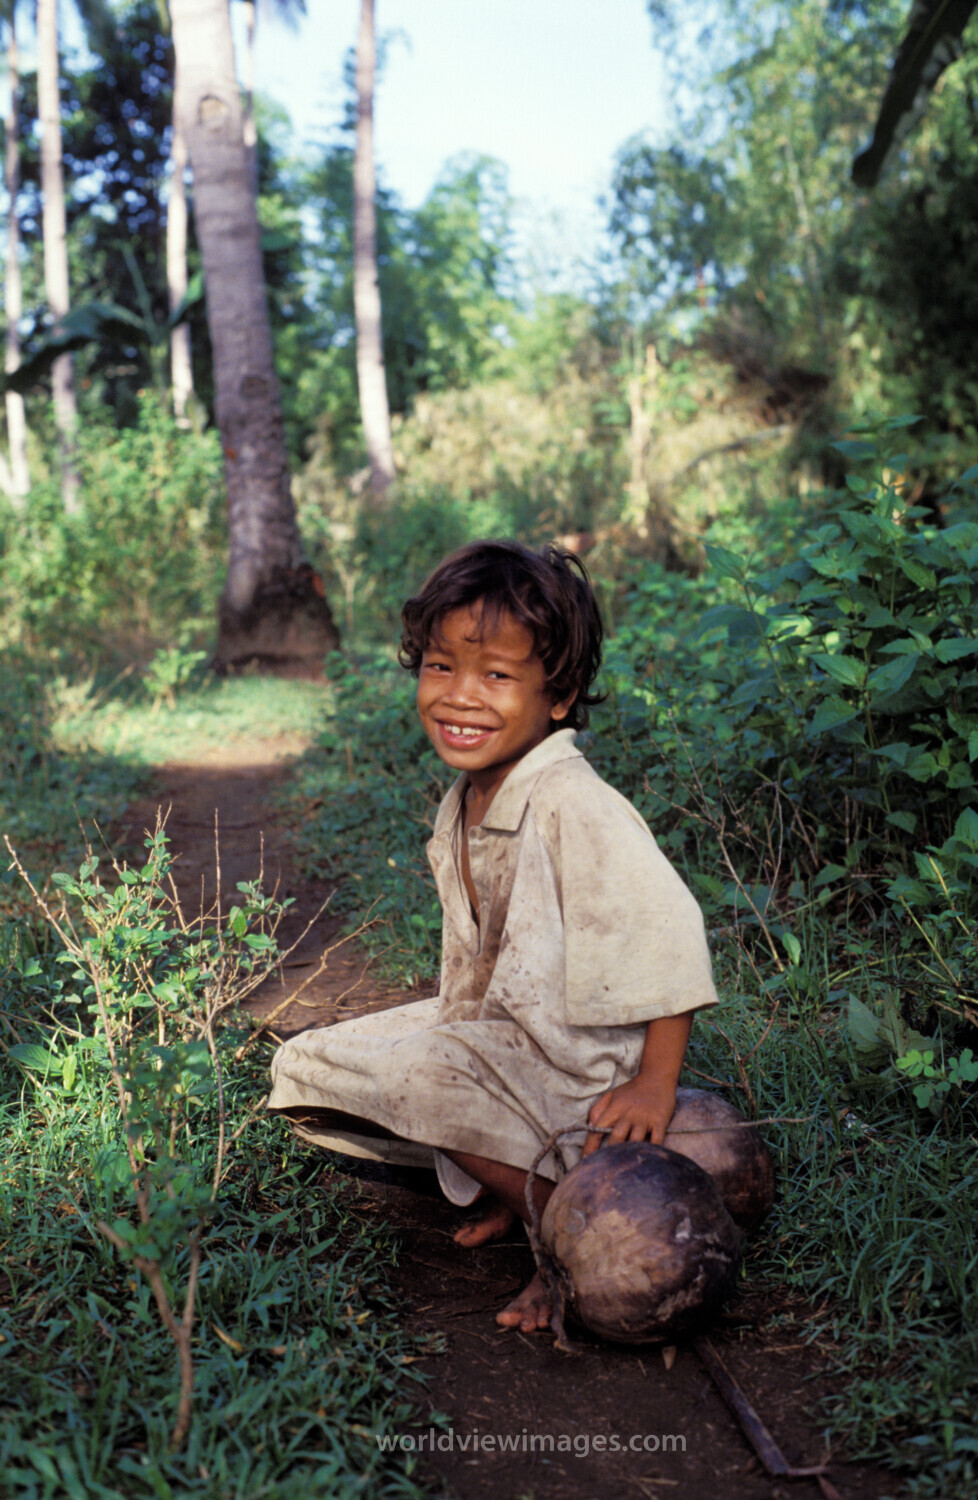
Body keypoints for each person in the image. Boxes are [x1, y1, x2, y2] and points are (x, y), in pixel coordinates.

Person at [267, 540, 719, 1333]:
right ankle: (515, 1178)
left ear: (560, 694)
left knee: (417, 1081)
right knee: (305, 1066)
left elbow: (669, 932)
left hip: (575, 1074)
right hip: (494, 1042)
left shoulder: (575, 802)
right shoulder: (467, 798)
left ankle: (565, 1231)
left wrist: (653, 1086)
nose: (461, 698)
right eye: (441, 667)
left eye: (498, 676)